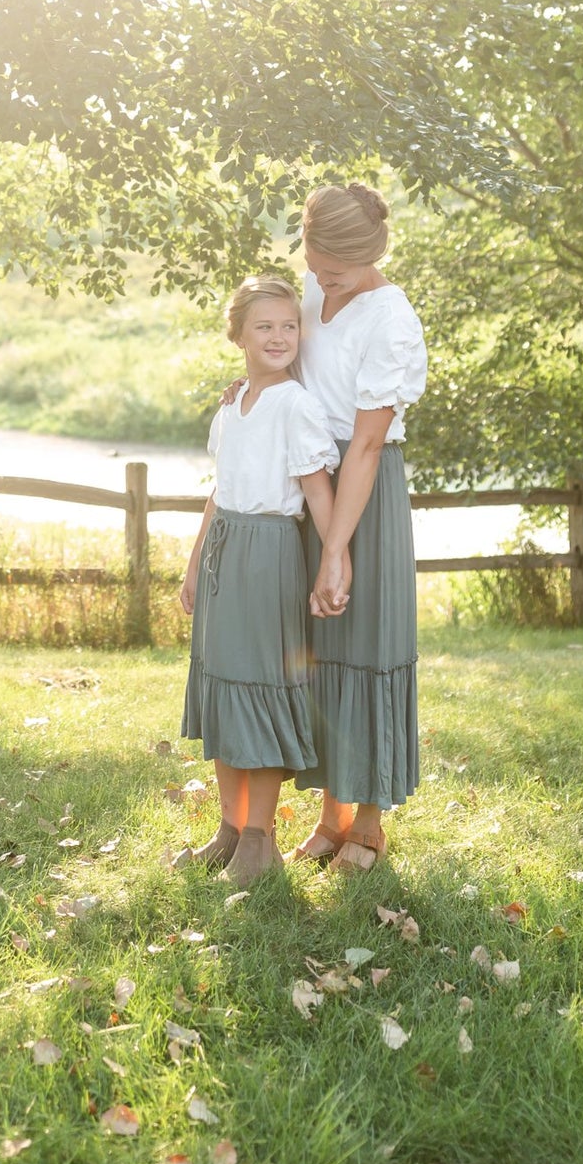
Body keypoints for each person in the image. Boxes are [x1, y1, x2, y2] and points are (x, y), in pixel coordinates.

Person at [178, 276, 338, 886]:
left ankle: (258, 839)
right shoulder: (234, 402)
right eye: (265, 326)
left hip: (270, 554)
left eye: (289, 326)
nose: (279, 337)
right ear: (239, 335)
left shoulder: (296, 406)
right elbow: (220, 491)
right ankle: (227, 828)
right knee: (223, 688)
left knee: (261, 690)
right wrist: (195, 563)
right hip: (224, 553)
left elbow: (317, 490)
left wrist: (334, 561)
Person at [290, 183, 428, 873]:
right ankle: (331, 814)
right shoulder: (313, 291)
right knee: (321, 649)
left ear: (368, 257)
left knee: (365, 644)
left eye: (334, 271)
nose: (320, 278)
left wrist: (336, 548)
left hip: (362, 494)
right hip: (312, 479)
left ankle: (367, 824)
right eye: (313, 262)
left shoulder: (391, 319)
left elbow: (368, 446)